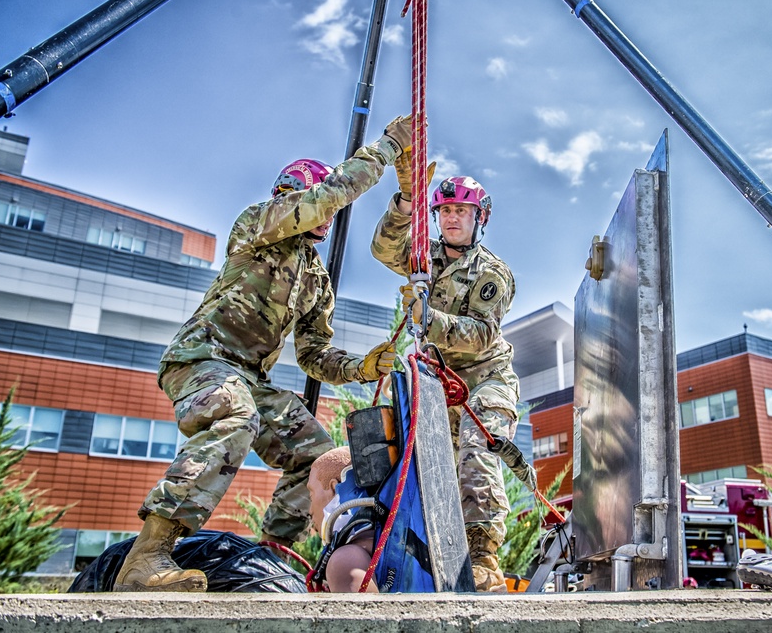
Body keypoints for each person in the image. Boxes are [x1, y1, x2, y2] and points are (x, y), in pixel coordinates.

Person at [113, 115, 414, 592]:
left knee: (315, 453)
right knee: (237, 414)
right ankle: (148, 556)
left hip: (250, 377)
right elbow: (326, 197)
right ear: (289, 197)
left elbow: (313, 353)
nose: (328, 216)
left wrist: (362, 366)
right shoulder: (260, 225)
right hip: (202, 359)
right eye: (318, 202)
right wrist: (386, 148)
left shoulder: (316, 280)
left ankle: (268, 559)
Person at [370, 157, 518, 592]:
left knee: (477, 451)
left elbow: (481, 335)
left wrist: (427, 317)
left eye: (463, 212)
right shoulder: (424, 258)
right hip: (439, 389)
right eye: (445, 211)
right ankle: (438, 564)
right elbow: (383, 249)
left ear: (479, 218)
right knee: (435, 476)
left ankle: (484, 559)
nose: (453, 218)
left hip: (485, 382)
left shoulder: (491, 272)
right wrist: (405, 203)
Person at [308, 446, 377, 593]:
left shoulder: (346, 560)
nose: (310, 510)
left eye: (311, 496)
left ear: (334, 488)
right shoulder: (384, 541)